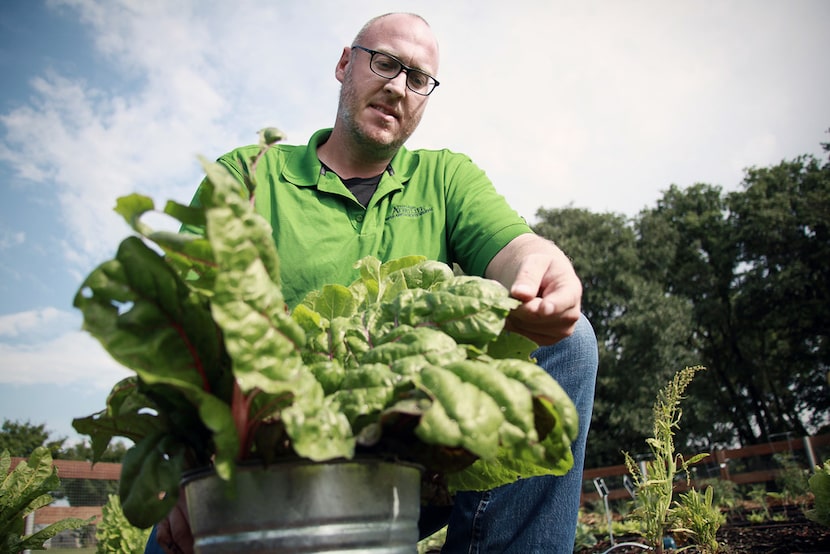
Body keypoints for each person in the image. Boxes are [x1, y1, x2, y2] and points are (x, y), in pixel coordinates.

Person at [148, 12, 598, 554]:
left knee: (567, 340)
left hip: (399, 466)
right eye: (385, 62)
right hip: (261, 470)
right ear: (344, 64)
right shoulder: (252, 173)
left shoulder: (444, 178)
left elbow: (512, 247)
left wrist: (541, 262)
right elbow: (180, 332)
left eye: (418, 78)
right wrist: (185, 464)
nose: (397, 87)